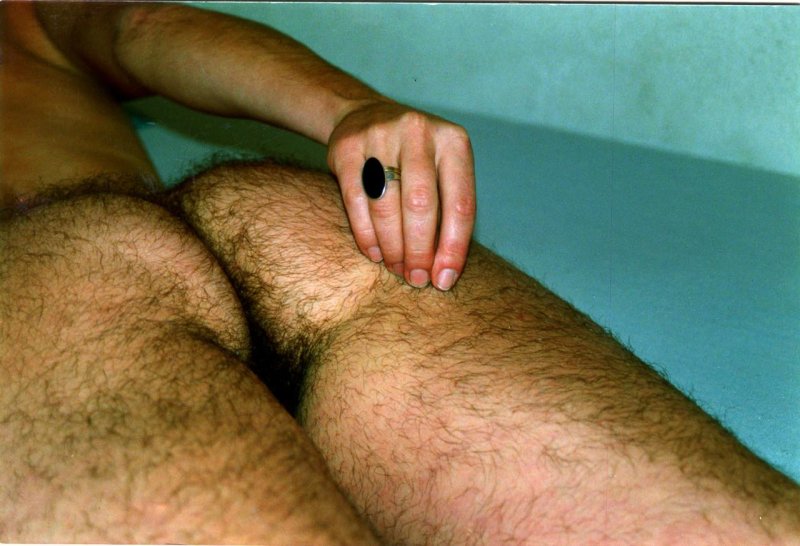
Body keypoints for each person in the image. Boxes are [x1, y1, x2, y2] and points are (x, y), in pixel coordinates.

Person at [1, 3, 798, 544]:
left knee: (281, 226)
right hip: (101, 265)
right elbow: (133, 25)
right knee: (103, 253)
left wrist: (351, 111)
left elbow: (136, 24)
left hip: (102, 269)